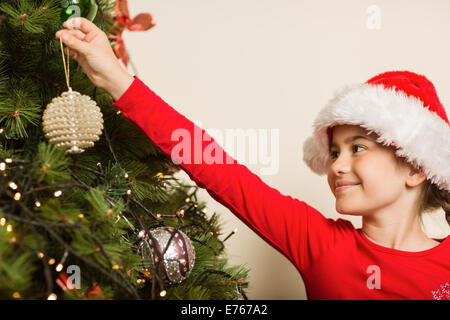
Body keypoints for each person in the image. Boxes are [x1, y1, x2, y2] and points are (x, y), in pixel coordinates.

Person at [55, 17, 450, 300]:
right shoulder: (320, 244)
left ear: (415, 167)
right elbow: (216, 166)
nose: (337, 165)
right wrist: (113, 76)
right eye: (334, 151)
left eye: (357, 148)